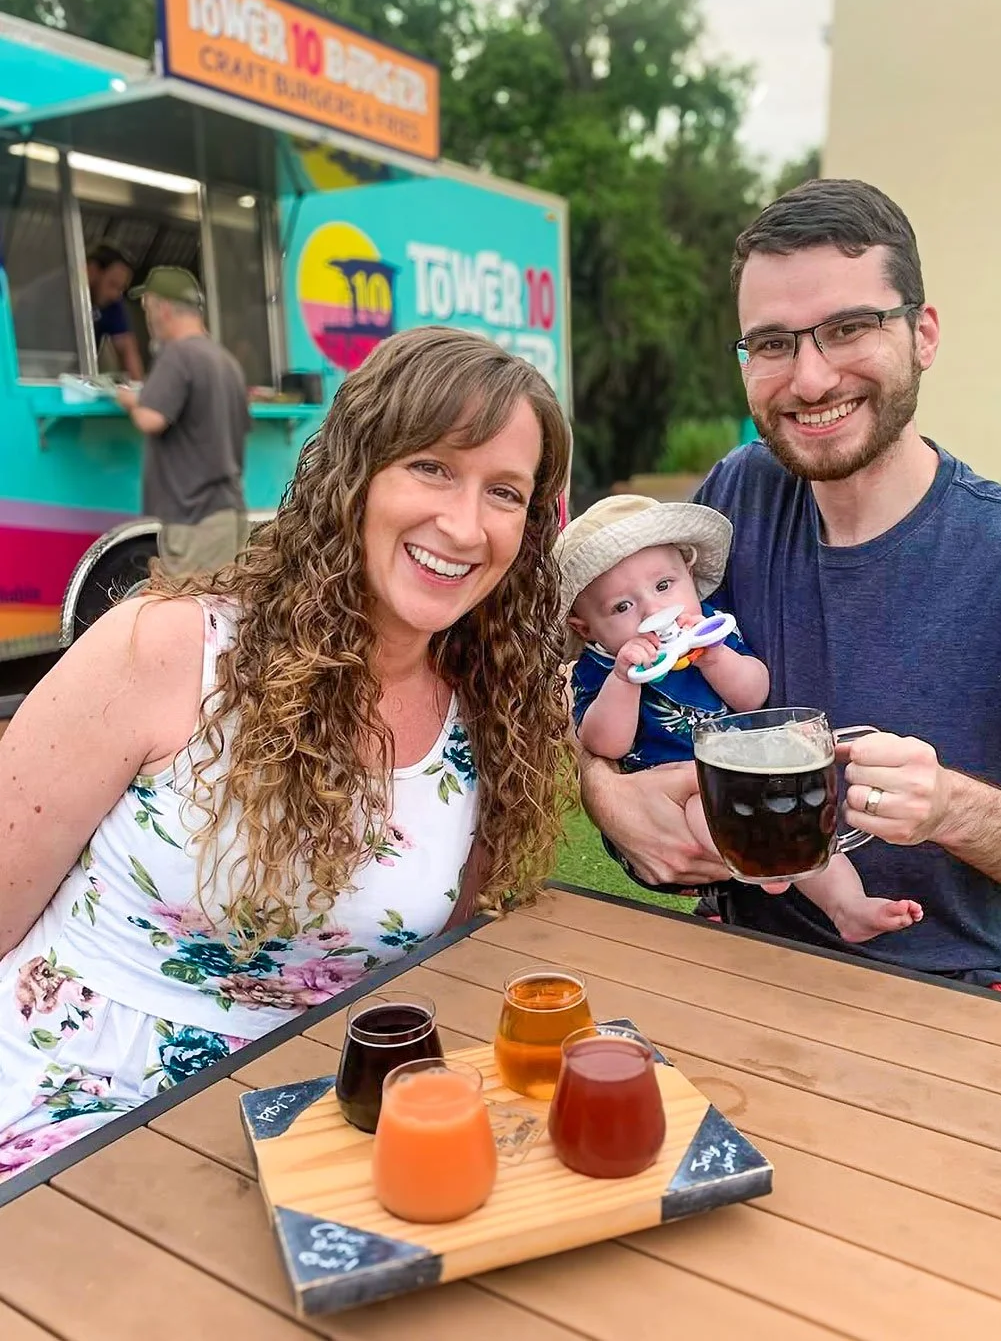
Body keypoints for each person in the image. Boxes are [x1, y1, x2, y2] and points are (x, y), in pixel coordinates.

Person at [0, 326, 573, 1180]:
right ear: (355, 474)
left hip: (306, 1129)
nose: (464, 525)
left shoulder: (490, 713)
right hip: (59, 1103)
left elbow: (437, 969)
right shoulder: (168, 651)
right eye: (431, 467)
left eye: (504, 492)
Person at [580, 178, 1001, 1001]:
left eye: (848, 328)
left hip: (945, 991)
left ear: (923, 333)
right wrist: (607, 795)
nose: (810, 380)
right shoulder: (736, 496)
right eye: (773, 343)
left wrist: (952, 808)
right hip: (738, 958)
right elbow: (592, 666)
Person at [559, 493, 922, 943]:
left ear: (689, 575)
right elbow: (605, 744)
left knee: (801, 815)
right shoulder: (600, 667)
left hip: (738, 767)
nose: (654, 613)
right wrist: (625, 680)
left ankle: (848, 906)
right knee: (708, 810)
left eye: (664, 585)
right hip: (671, 794)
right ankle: (764, 859)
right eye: (621, 607)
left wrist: (715, 657)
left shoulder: (711, 628)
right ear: (585, 628)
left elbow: (753, 694)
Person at [116, 267, 251, 578]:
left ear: (162, 308)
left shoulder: (177, 356)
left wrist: (128, 400)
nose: (148, 318)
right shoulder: (225, 361)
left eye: (147, 308)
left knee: (187, 605)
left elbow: (151, 419)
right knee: (225, 604)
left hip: (193, 523)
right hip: (229, 515)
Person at [85, 243, 144, 381]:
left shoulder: (112, 304)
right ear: (91, 271)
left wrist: (139, 389)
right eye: (112, 284)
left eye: (121, 289)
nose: (115, 295)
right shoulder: (57, 295)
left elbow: (126, 349)